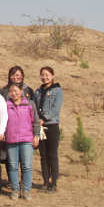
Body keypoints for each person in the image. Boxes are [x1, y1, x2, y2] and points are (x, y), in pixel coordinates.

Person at [4, 83, 40, 201]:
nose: (13, 93)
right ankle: (15, 189)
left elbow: (35, 121)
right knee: (13, 166)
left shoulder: (30, 104)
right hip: (11, 139)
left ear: (21, 91)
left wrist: (36, 136)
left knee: (27, 166)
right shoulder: (5, 105)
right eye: (11, 91)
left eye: (16, 91)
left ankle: (26, 190)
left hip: (27, 139)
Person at [34, 66, 63, 194]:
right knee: (43, 155)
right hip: (40, 126)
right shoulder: (38, 91)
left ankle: (54, 183)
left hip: (52, 125)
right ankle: (45, 181)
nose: (45, 77)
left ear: (53, 76)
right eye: (42, 75)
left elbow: (56, 108)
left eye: (47, 75)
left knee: (52, 155)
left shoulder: (58, 90)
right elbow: (34, 107)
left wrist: (44, 118)